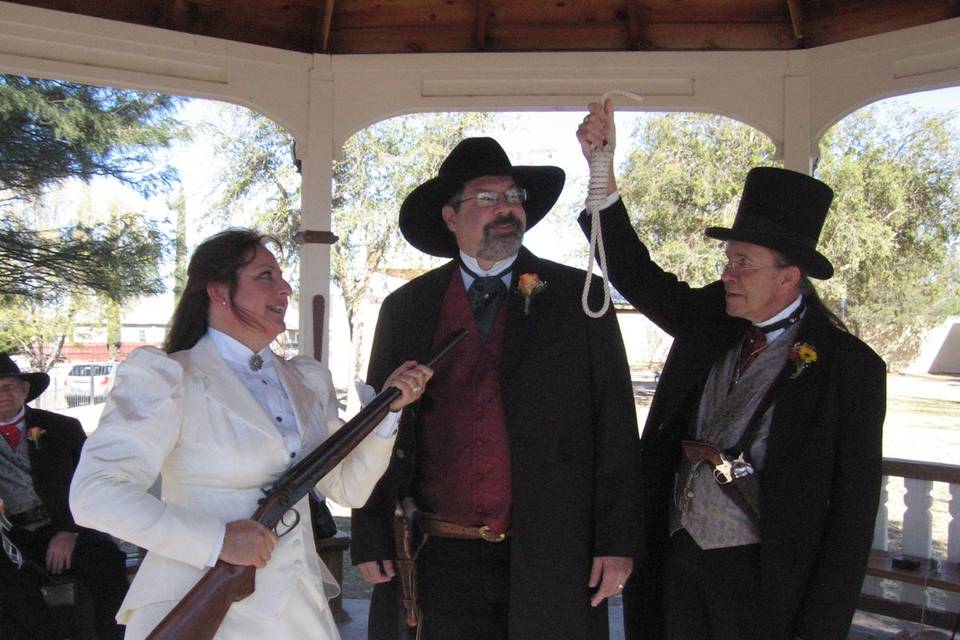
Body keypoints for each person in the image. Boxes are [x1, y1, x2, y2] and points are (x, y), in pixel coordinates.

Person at [576, 101, 886, 640]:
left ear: (789, 278)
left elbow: (852, 518)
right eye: (728, 259)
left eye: (743, 262)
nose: (727, 273)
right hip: (676, 564)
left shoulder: (849, 369)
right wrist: (601, 169)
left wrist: (822, 627)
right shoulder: (710, 320)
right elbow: (635, 273)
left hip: (766, 585)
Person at [69, 229, 433, 640]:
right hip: (197, 598)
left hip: (297, 610)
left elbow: (349, 489)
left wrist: (387, 413)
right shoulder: (168, 376)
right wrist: (218, 541)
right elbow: (95, 495)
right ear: (219, 292)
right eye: (265, 276)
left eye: (282, 276)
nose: (285, 287)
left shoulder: (305, 380)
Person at [351, 137, 640, 640]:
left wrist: (617, 540)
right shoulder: (407, 308)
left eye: (513, 196)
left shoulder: (580, 299)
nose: (506, 209)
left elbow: (614, 423)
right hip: (435, 555)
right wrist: (370, 533)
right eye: (486, 199)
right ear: (449, 217)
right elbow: (379, 427)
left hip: (551, 552)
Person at [0, 353, 128, 640]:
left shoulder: (62, 428)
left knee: (105, 566)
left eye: (9, 386)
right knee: (13, 597)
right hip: (9, 539)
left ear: (25, 390)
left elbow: (95, 484)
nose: (3, 395)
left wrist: (70, 530)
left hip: (66, 526)